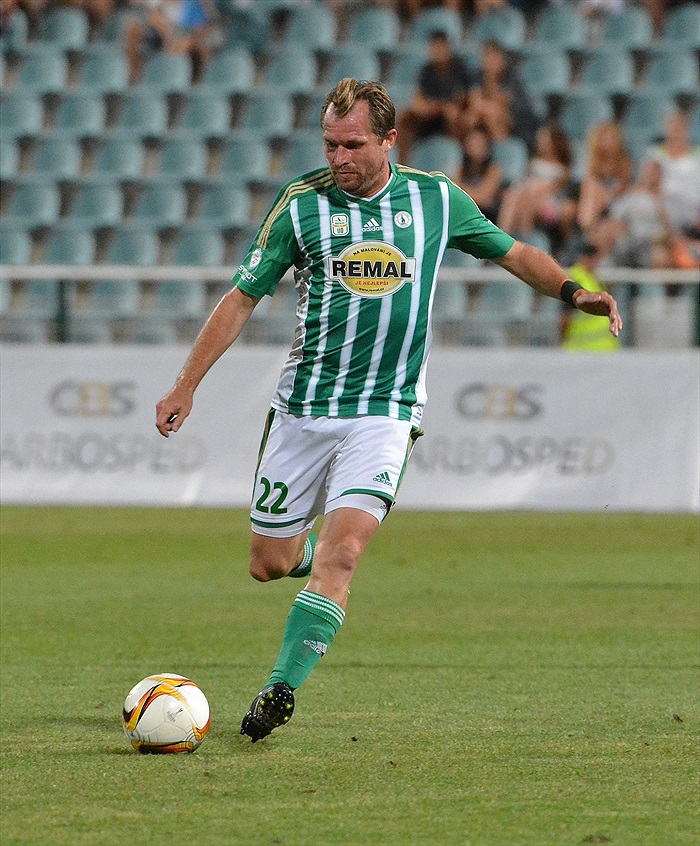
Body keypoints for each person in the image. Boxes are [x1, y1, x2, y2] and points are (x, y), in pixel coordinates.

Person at [155, 78, 622, 743]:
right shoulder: (301, 206)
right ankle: (308, 551)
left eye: (352, 145)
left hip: (387, 410)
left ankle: (280, 688)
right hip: (305, 410)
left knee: (344, 554)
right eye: (330, 144)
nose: (338, 157)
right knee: (268, 561)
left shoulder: (435, 199)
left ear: (389, 140)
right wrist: (185, 385)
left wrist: (575, 293)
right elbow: (241, 297)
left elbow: (514, 253)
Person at [396, 29, 473, 163]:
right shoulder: (427, 70)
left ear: (447, 48)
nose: (437, 51)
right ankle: (403, 162)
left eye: (440, 47)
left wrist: (444, 107)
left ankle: (457, 161)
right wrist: (423, 107)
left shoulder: (460, 69)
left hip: (453, 115)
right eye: (434, 47)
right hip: (431, 114)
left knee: (452, 114)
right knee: (405, 117)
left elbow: (463, 98)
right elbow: (419, 97)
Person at [561, 241, 621, 351]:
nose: (597, 265)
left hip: (601, 349)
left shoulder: (592, 279)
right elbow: (565, 317)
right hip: (581, 349)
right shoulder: (576, 279)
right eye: (597, 260)